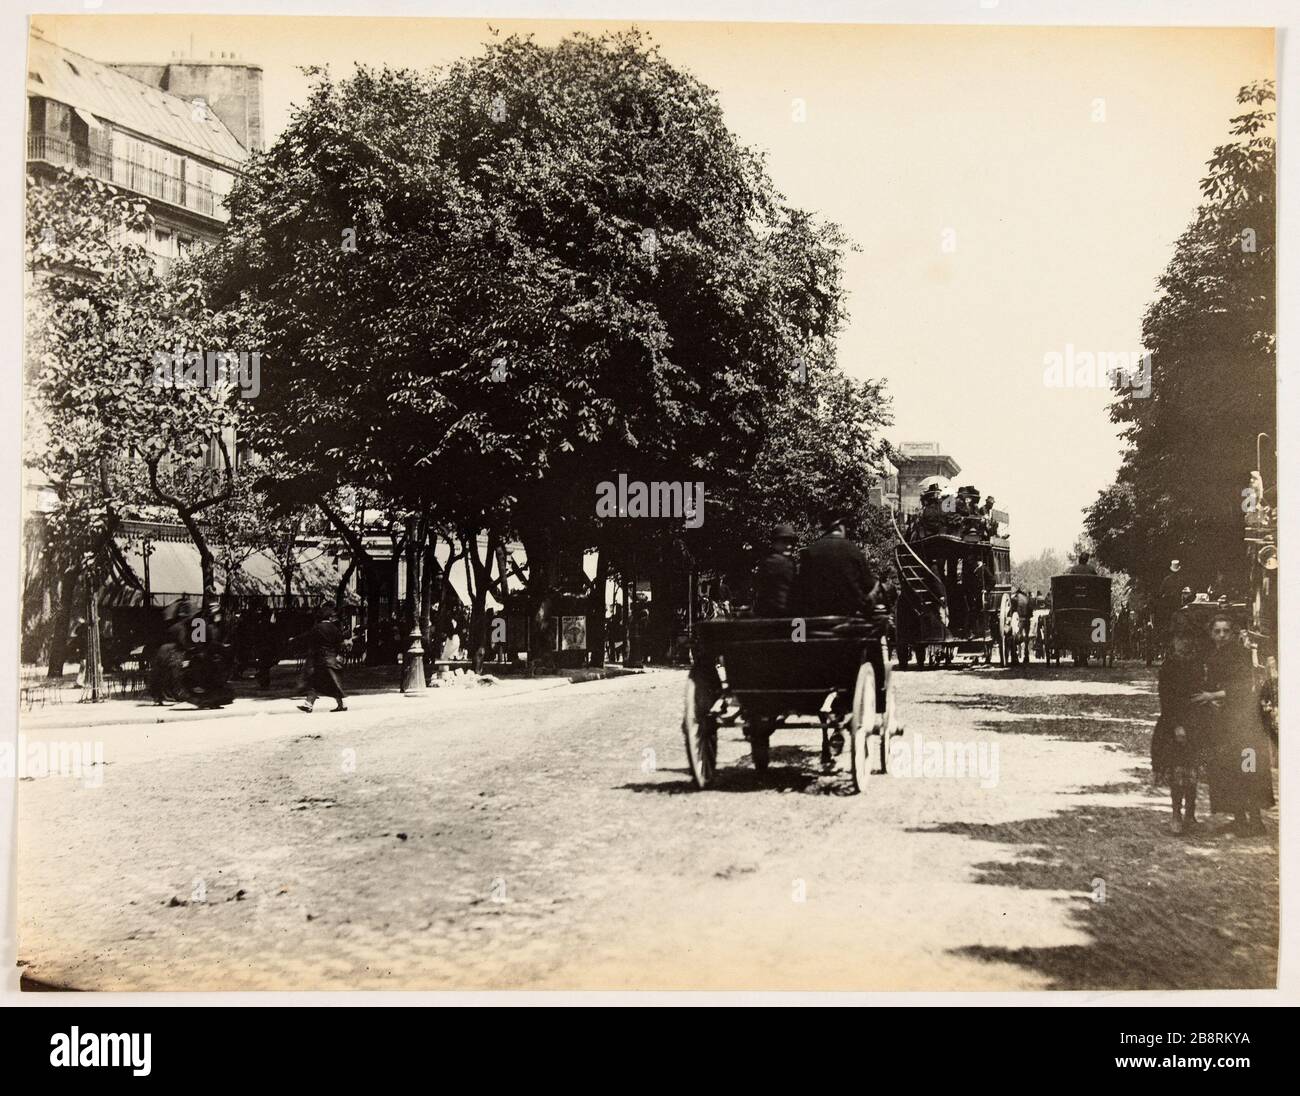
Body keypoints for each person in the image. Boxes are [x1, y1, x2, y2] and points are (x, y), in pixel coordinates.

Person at [1195, 612, 1273, 835]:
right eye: (1217, 631)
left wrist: (1212, 696)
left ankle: (1256, 822)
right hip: (1224, 720)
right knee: (1229, 767)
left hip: (1243, 719)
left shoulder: (1240, 654)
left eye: (1225, 631)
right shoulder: (1213, 654)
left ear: (1232, 632)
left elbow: (1240, 688)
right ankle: (1239, 818)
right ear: (1211, 633)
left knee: (1247, 767)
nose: (1221, 635)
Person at [1151, 623, 1206, 835]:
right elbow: (1167, 700)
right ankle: (1176, 813)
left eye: (1187, 638)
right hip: (1175, 722)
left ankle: (1191, 814)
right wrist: (1177, 726)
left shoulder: (1197, 664)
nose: (1184, 643)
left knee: (1192, 770)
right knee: (1177, 771)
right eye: (1180, 639)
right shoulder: (1169, 667)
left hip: (1196, 722)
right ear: (1173, 642)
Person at [794, 513, 879, 618]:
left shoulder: (810, 550)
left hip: (816, 617)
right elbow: (868, 584)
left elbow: (802, 587)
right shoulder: (852, 549)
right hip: (848, 616)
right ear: (840, 527)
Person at [296, 605, 348, 713]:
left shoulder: (317, 627)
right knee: (332, 682)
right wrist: (339, 654)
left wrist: (294, 639)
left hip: (320, 659)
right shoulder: (335, 628)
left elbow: (307, 637)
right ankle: (340, 704)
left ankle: (309, 704)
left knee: (315, 681)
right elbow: (340, 643)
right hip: (331, 658)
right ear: (329, 618)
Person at [753, 524, 798, 616]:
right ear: (774, 543)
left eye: (792, 542)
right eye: (785, 541)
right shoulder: (782, 562)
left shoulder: (765, 561)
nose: (789, 546)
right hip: (784, 615)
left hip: (765, 614)